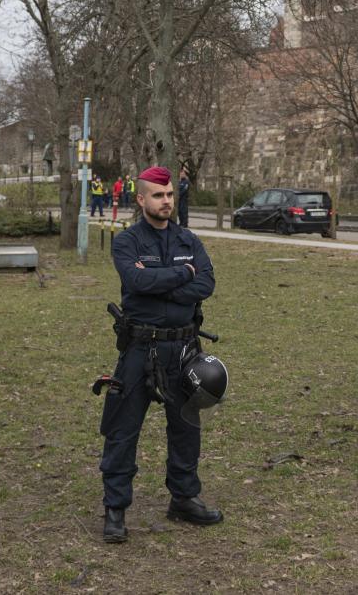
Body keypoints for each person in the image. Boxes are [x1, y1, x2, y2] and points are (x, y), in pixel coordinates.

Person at [100, 165, 222, 544]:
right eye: (158, 195)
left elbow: (207, 283)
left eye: (169, 194)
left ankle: (183, 498)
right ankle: (116, 508)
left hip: (184, 350)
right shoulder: (127, 242)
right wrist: (182, 275)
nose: (166, 201)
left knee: (186, 428)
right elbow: (136, 281)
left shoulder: (189, 239)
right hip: (140, 348)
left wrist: (162, 283)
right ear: (141, 199)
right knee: (123, 430)